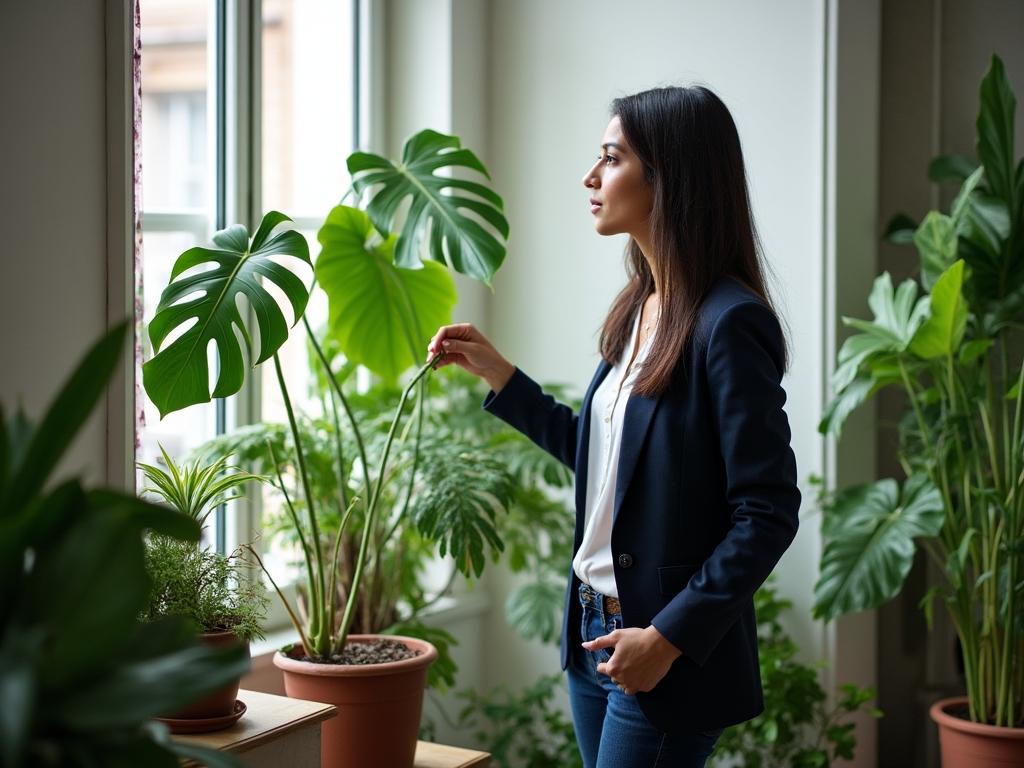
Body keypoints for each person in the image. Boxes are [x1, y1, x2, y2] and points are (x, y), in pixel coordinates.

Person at [427, 85, 800, 768]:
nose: (590, 177)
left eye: (611, 157)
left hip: (662, 652)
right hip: (591, 633)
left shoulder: (729, 323)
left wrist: (667, 638)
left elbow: (767, 512)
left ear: (668, 177)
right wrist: (502, 377)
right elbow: (612, 468)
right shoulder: (641, 306)